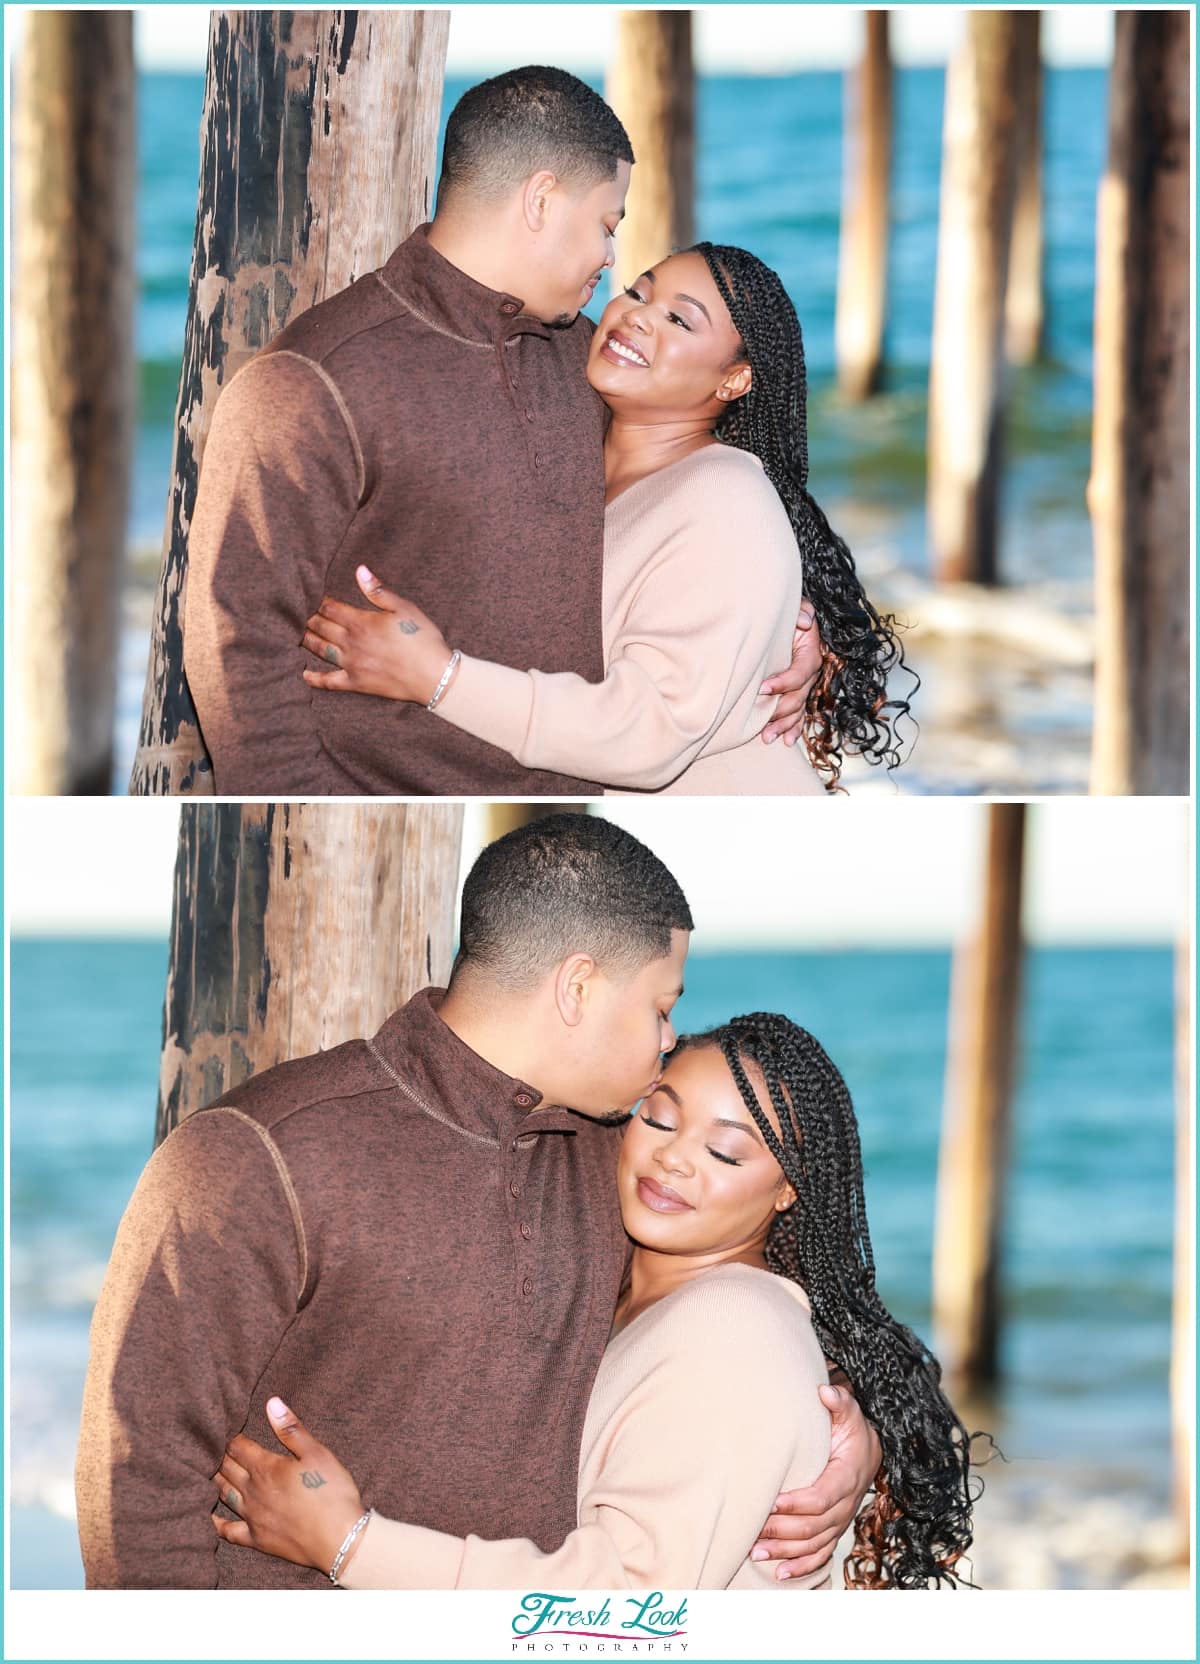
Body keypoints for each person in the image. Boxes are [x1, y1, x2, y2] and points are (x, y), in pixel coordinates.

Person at [76, 815, 881, 1588]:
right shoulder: (260, 1154)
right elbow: (138, 1484)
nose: (669, 1037)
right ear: (578, 988)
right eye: (660, 1008)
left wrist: (848, 1436)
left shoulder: (619, 1165)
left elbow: (758, 1300)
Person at [182, 67, 820, 796]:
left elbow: (706, 517)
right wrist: (315, 831)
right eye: (609, 225)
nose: (612, 259)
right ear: (542, 200)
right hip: (403, 836)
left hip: (593, 818)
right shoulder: (317, 381)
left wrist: (788, 630)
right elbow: (237, 641)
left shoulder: (591, 361)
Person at [212, 1016, 977, 1590]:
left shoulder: (733, 1329)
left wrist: (349, 1544)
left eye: (725, 1151)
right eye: (660, 1115)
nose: (674, 1157)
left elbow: (627, 1610)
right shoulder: (621, 1281)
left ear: (787, 1192)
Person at [300, 245, 910, 794]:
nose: (639, 315)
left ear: (735, 379)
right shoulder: (569, 442)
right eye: (638, 292)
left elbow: (652, 732)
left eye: (679, 319)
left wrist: (438, 678)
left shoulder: (728, 496)